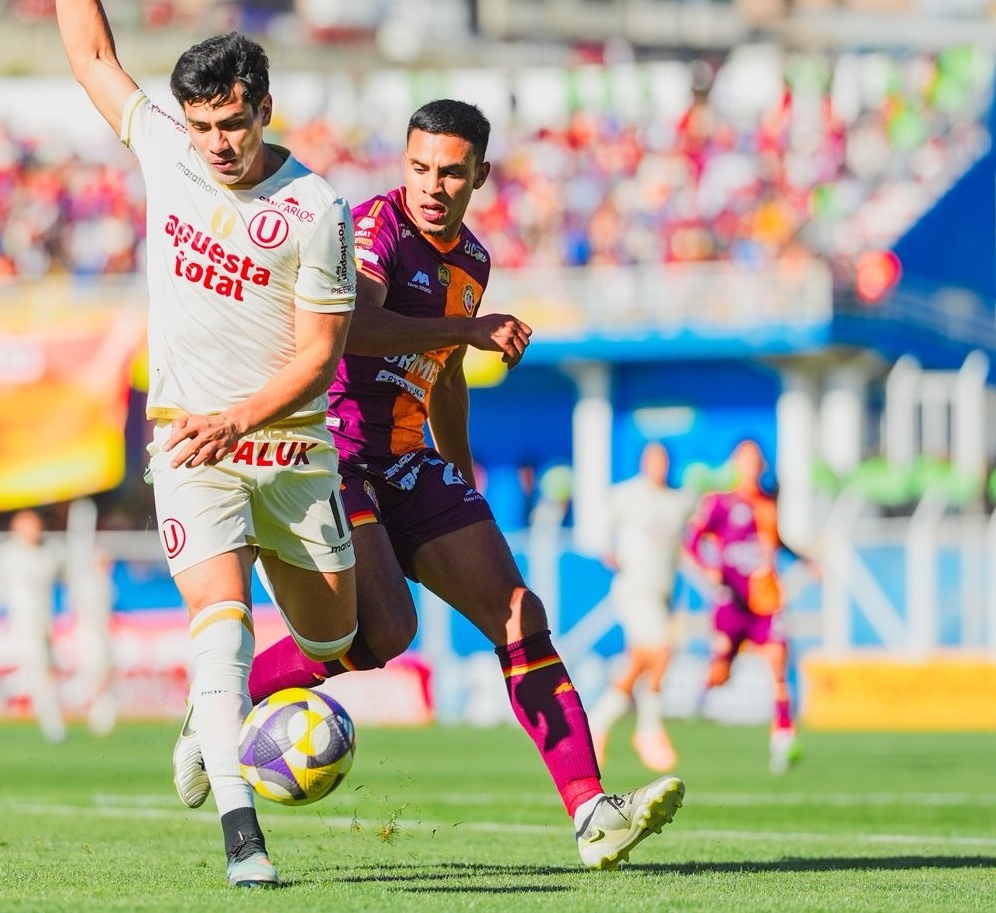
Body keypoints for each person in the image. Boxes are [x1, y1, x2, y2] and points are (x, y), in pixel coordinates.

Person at [230, 98, 683, 869]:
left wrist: (459, 474)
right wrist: (469, 331)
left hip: (407, 460)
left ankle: (591, 813)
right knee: (386, 633)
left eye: (448, 172)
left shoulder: (471, 260)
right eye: (419, 167)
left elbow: (442, 377)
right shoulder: (370, 227)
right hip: (334, 450)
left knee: (518, 611)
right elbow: (354, 328)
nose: (431, 185)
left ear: (478, 174)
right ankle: (225, 701)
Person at [55, 2, 360, 889]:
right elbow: (91, 54)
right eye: (201, 126)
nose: (216, 144)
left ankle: (209, 720)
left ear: (264, 109)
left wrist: (244, 417)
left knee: (334, 634)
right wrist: (217, 425)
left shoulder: (315, 209)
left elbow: (319, 356)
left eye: (232, 123)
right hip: (190, 444)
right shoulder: (166, 151)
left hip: (294, 452)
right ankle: (242, 834)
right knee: (221, 627)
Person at [685, 438, 810, 774]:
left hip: (767, 602)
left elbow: (775, 541)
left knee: (778, 667)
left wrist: (807, 561)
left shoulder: (768, 505)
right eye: (745, 460)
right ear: (735, 465)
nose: (751, 467)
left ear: (763, 467)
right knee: (721, 673)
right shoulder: (719, 504)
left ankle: (783, 740)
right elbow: (692, 537)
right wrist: (707, 567)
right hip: (732, 604)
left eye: (756, 461)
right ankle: (705, 687)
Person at [588, 441, 694, 773]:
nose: (658, 465)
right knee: (660, 652)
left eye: (662, 459)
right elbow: (599, 530)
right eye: (652, 459)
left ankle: (597, 723)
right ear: (643, 463)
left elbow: (683, 548)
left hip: (662, 593)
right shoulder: (626, 495)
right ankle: (648, 730)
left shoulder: (678, 502)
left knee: (643, 662)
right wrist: (608, 550)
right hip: (635, 589)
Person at [0, 509, 69, 744]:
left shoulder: (50, 551)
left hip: (46, 621)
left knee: (45, 669)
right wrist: (1, 604)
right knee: (41, 670)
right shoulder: (8, 554)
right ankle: (52, 724)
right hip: (23, 622)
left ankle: (6, 688)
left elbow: (65, 573)